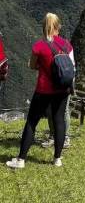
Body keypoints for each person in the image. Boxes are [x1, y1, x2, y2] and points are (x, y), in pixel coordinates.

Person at [6, 13, 74, 169]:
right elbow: (70, 66)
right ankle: (57, 159)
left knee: (31, 122)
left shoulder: (39, 46)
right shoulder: (66, 45)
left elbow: (31, 65)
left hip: (44, 90)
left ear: (44, 27)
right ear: (58, 27)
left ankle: (21, 160)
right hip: (62, 89)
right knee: (59, 121)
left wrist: (40, 65)